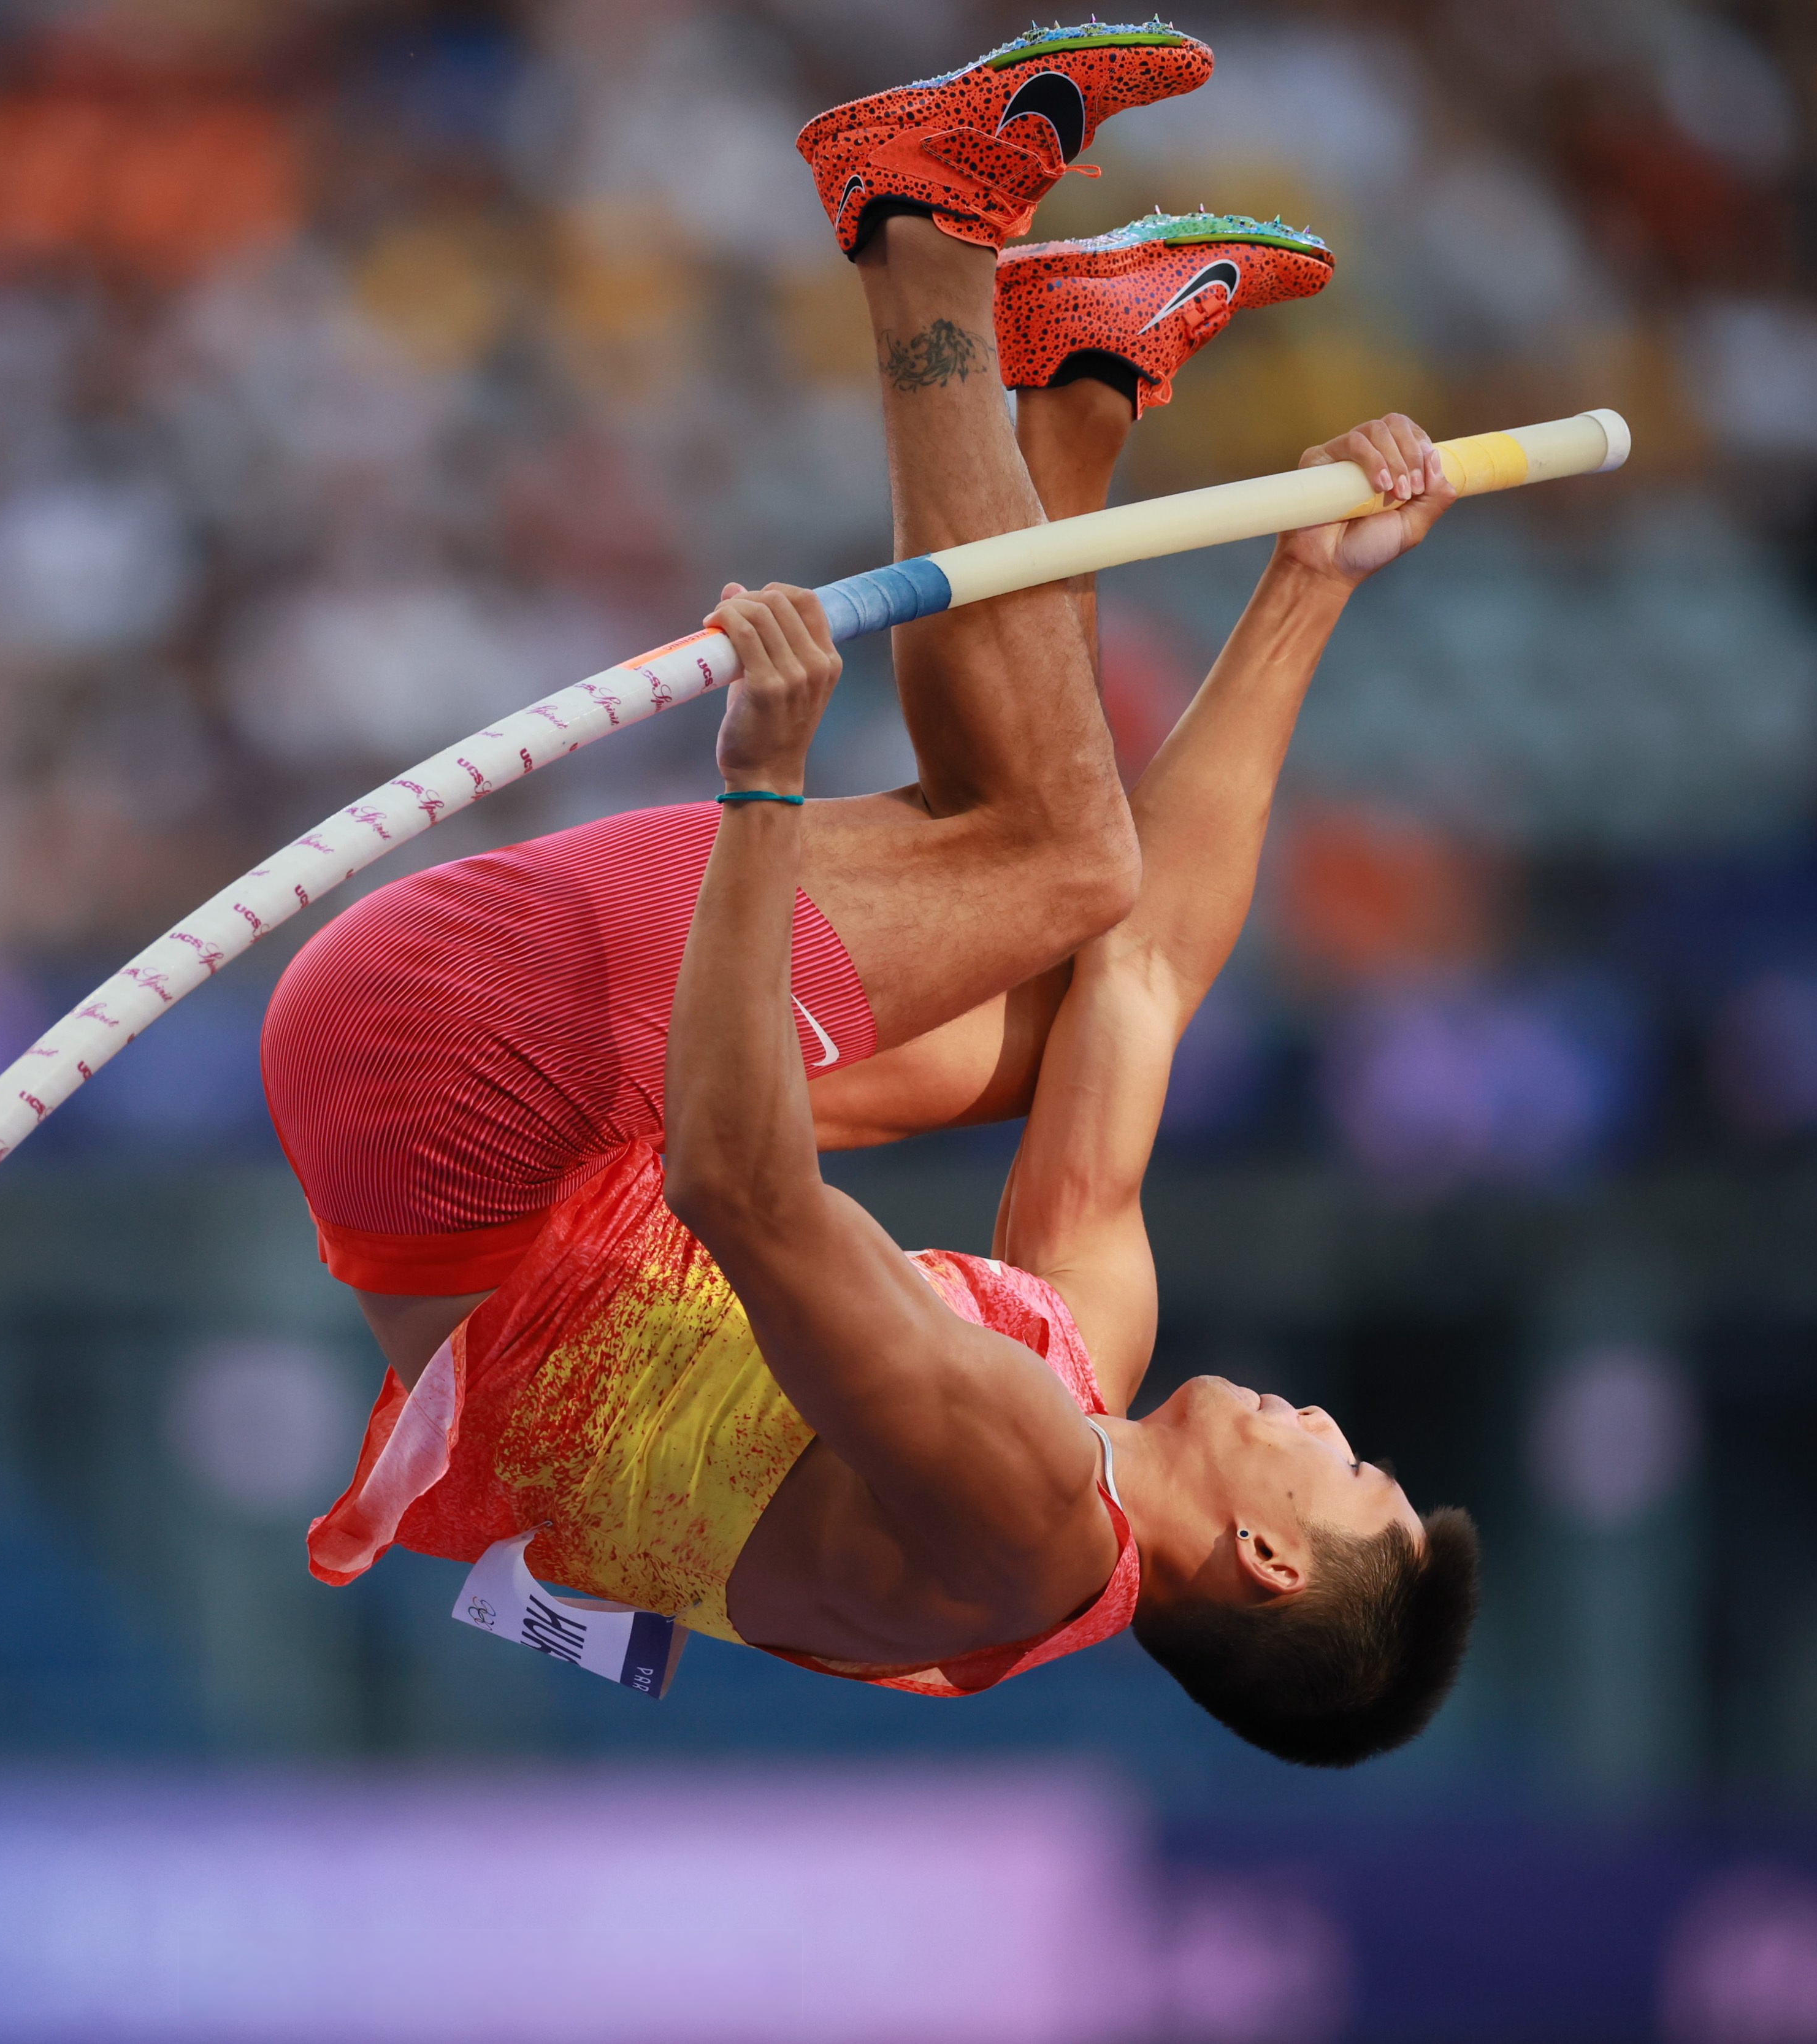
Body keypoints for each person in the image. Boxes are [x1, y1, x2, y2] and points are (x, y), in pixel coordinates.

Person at [262, 24, 1480, 1765]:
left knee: (1058, 851)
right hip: (498, 1127)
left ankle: (920, 224)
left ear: (1276, 1563)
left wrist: (760, 783)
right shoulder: (1082, 1379)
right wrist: (1309, 582)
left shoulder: (1019, 1520)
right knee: (1062, 970)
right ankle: (1080, 389)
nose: (1330, 1423)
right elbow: (1143, 981)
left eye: (1351, 1472)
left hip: (457, 1093)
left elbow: (742, 1185)